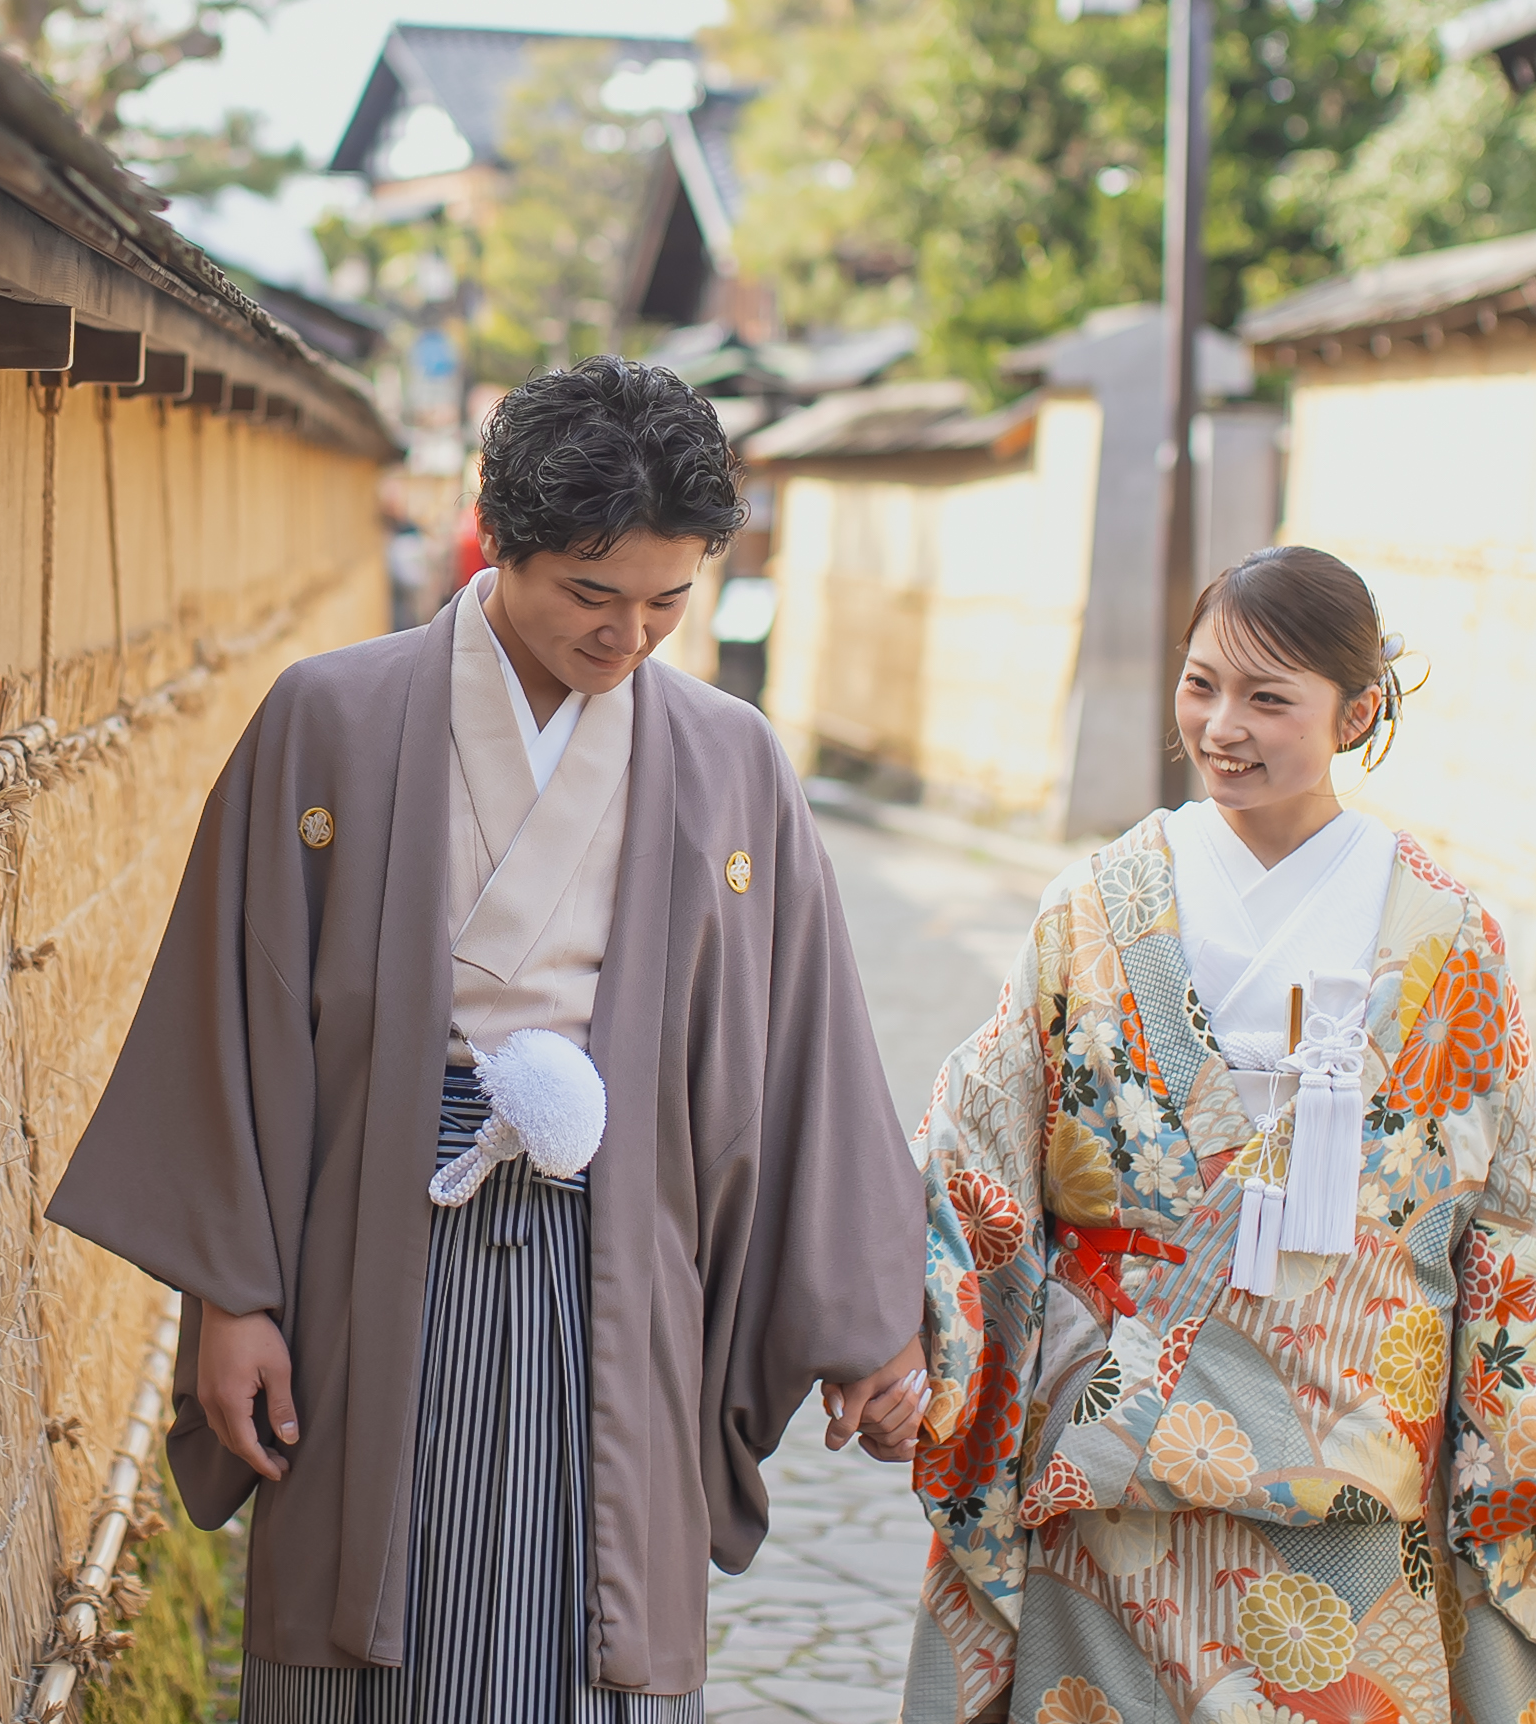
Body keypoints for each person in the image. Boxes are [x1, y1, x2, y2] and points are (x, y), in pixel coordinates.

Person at [52, 356, 929, 1719]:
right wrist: (234, 1297)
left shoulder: (729, 756)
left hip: (623, 1247)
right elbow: (234, 1014)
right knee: (368, 1614)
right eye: (592, 592)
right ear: (497, 537)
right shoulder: (330, 720)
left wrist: (870, 1324)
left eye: (667, 600)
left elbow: (807, 1047)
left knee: (602, 1633)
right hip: (369, 1242)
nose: (628, 634)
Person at [900, 546, 1536, 1724]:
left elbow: (1517, 1210)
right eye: (1202, 684)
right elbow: (978, 1152)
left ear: (1356, 713)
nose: (1222, 726)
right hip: (1118, 1457)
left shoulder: (1443, 934)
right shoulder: (1095, 907)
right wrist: (897, 1344)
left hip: (1354, 1461)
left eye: (1270, 698)